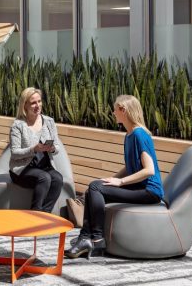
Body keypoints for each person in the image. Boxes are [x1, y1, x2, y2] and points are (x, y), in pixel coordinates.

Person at [65, 95, 164, 259]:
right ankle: (86, 238)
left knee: (95, 188)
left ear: (124, 111)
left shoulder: (139, 135)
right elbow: (130, 166)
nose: (113, 112)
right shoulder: (129, 135)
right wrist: (111, 179)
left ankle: (96, 239)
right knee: (94, 187)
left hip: (149, 191)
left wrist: (120, 182)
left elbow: (149, 170)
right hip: (138, 187)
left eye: (115, 109)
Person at [9, 87, 63, 213]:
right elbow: (15, 153)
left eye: (39, 101)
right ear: (25, 105)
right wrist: (34, 149)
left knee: (57, 178)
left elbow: (57, 147)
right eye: (33, 103)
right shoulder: (18, 125)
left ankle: (45, 214)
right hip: (22, 169)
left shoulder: (49, 122)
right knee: (44, 178)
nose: (37, 105)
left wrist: (53, 148)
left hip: (44, 166)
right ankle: (35, 213)